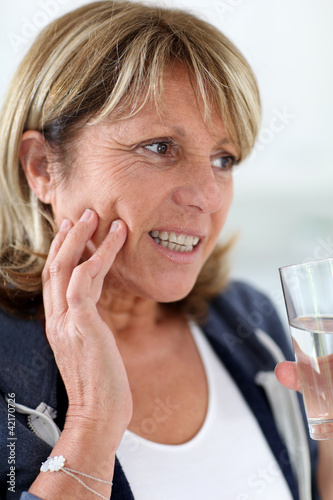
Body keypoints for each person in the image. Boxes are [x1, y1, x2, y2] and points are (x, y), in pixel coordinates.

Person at [0, 1, 328, 499]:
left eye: (224, 158)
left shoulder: (250, 319)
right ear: (42, 166)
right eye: (160, 147)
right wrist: (92, 423)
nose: (208, 195)